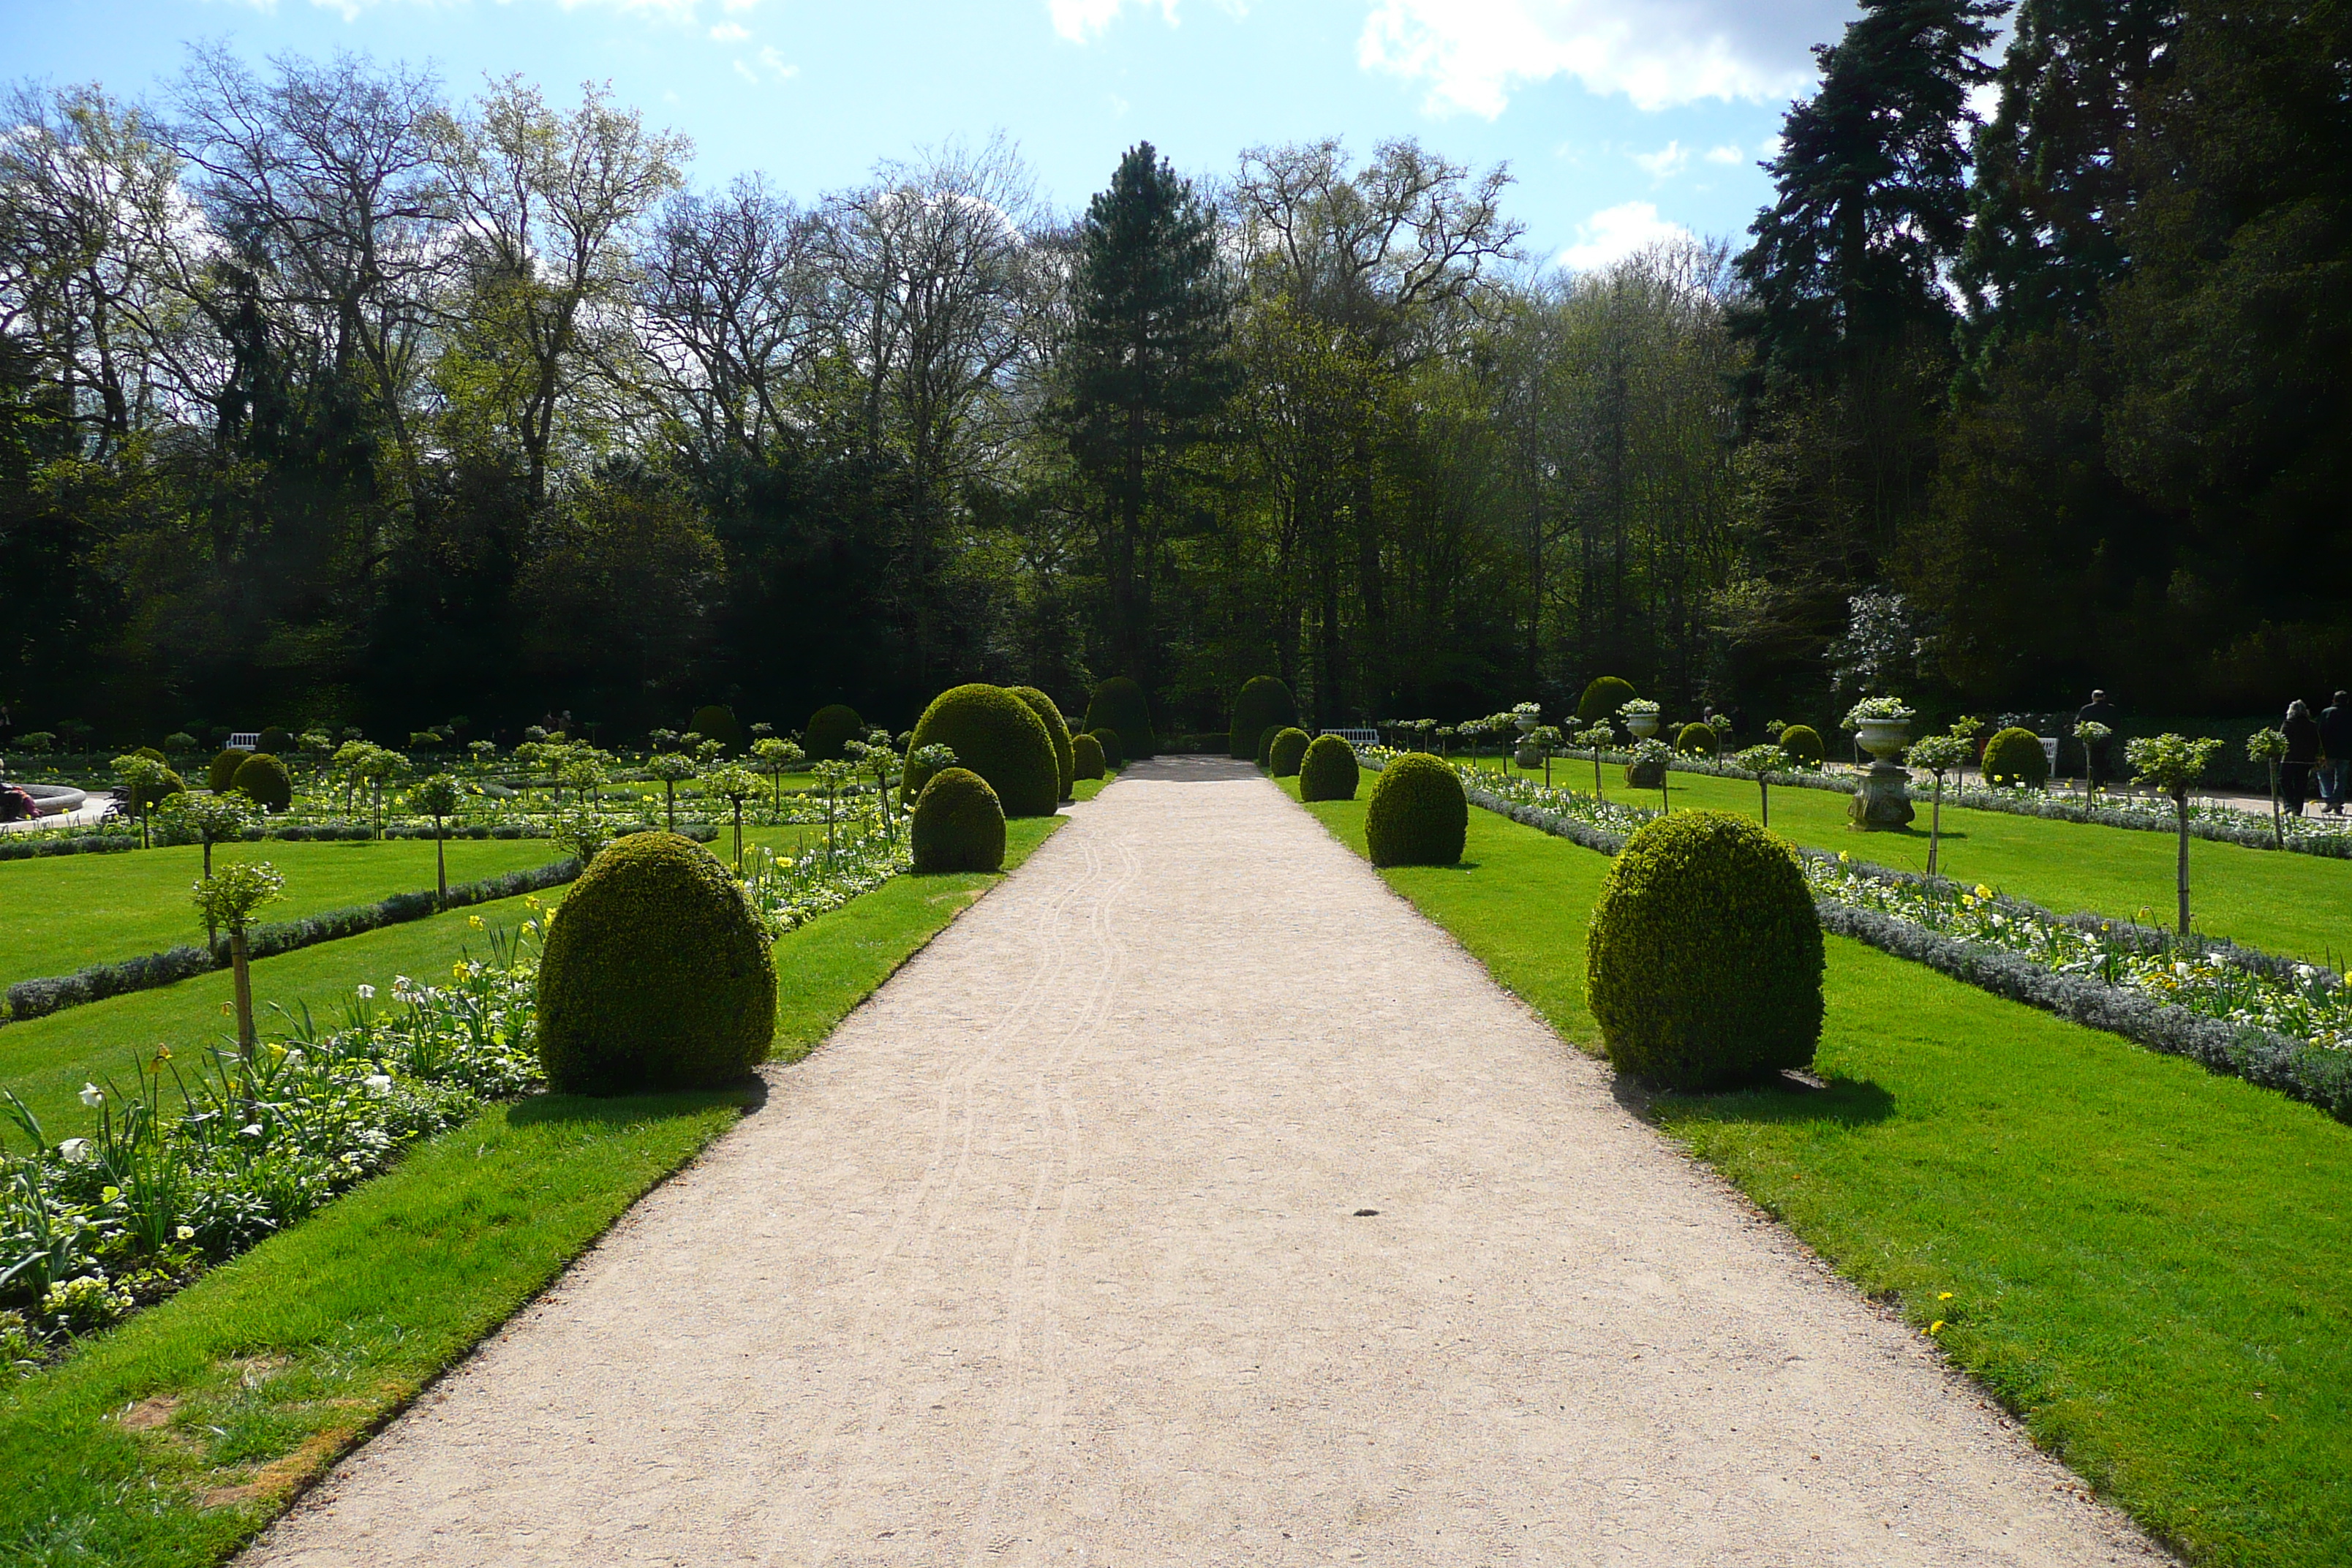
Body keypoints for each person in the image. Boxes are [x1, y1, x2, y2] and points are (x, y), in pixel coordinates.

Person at [2283, 699, 2321, 815]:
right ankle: (2297, 808)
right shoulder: (2312, 725)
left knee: (2285, 781)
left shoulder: (2288, 724)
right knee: (2301, 783)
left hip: (2289, 759)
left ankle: (2289, 804)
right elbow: (2316, 742)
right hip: (2305, 760)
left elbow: (2282, 740)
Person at [2076, 689, 2119, 788]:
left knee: (2092, 762)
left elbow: (2079, 724)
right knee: (2104, 761)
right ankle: (2102, 782)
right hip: (2106, 740)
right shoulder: (2111, 709)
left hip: (2091, 740)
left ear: (2093, 697)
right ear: (2104, 697)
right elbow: (2117, 724)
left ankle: (2094, 783)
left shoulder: (2086, 709)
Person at [2319, 690, 2352, 814]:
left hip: (2329, 751)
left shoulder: (2327, 713)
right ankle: (2338, 802)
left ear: (2334, 700)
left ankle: (2330, 800)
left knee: (2324, 774)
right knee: (2341, 778)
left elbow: (2320, 731)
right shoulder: (2350, 714)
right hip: (2346, 751)